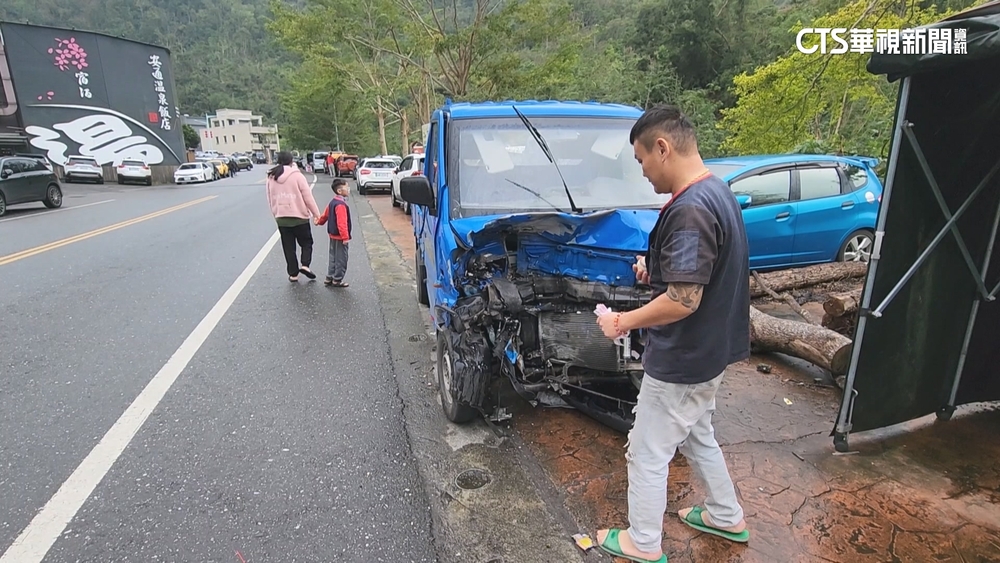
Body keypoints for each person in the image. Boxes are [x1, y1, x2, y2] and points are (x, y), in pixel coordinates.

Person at [594, 104, 752, 563]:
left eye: (642, 160)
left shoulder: (690, 210)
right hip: (711, 354)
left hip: (683, 360)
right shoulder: (716, 191)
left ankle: (642, 542)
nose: (643, 173)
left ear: (662, 148)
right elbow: (704, 271)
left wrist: (621, 322)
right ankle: (726, 515)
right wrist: (656, 270)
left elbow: (685, 299)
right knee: (698, 433)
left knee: (645, 453)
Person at [266, 151, 322, 282]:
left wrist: (275, 213)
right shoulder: (297, 176)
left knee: (288, 246)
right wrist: (316, 214)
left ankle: (293, 274)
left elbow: (269, 198)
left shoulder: (271, 177)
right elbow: (307, 197)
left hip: (282, 218)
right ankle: (305, 265)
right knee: (306, 242)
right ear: (292, 161)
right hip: (299, 216)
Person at [315, 179, 351, 287]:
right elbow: (342, 223)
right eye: (346, 187)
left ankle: (329, 277)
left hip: (332, 235)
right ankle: (337, 279)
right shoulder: (341, 205)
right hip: (340, 237)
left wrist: (318, 222)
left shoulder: (332, 202)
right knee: (341, 258)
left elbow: (325, 215)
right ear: (340, 191)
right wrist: (345, 237)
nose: (348, 189)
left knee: (333, 256)